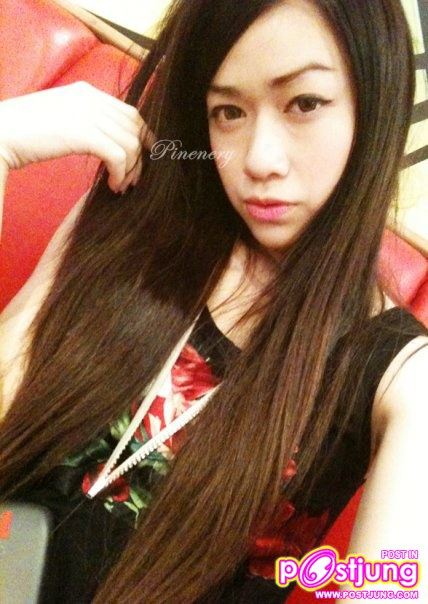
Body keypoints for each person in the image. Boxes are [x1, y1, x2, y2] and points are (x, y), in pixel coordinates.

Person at [0, 0, 427, 602]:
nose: (258, 160)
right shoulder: (136, 216)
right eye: (229, 111)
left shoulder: (401, 379)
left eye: (305, 103)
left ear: (375, 104)